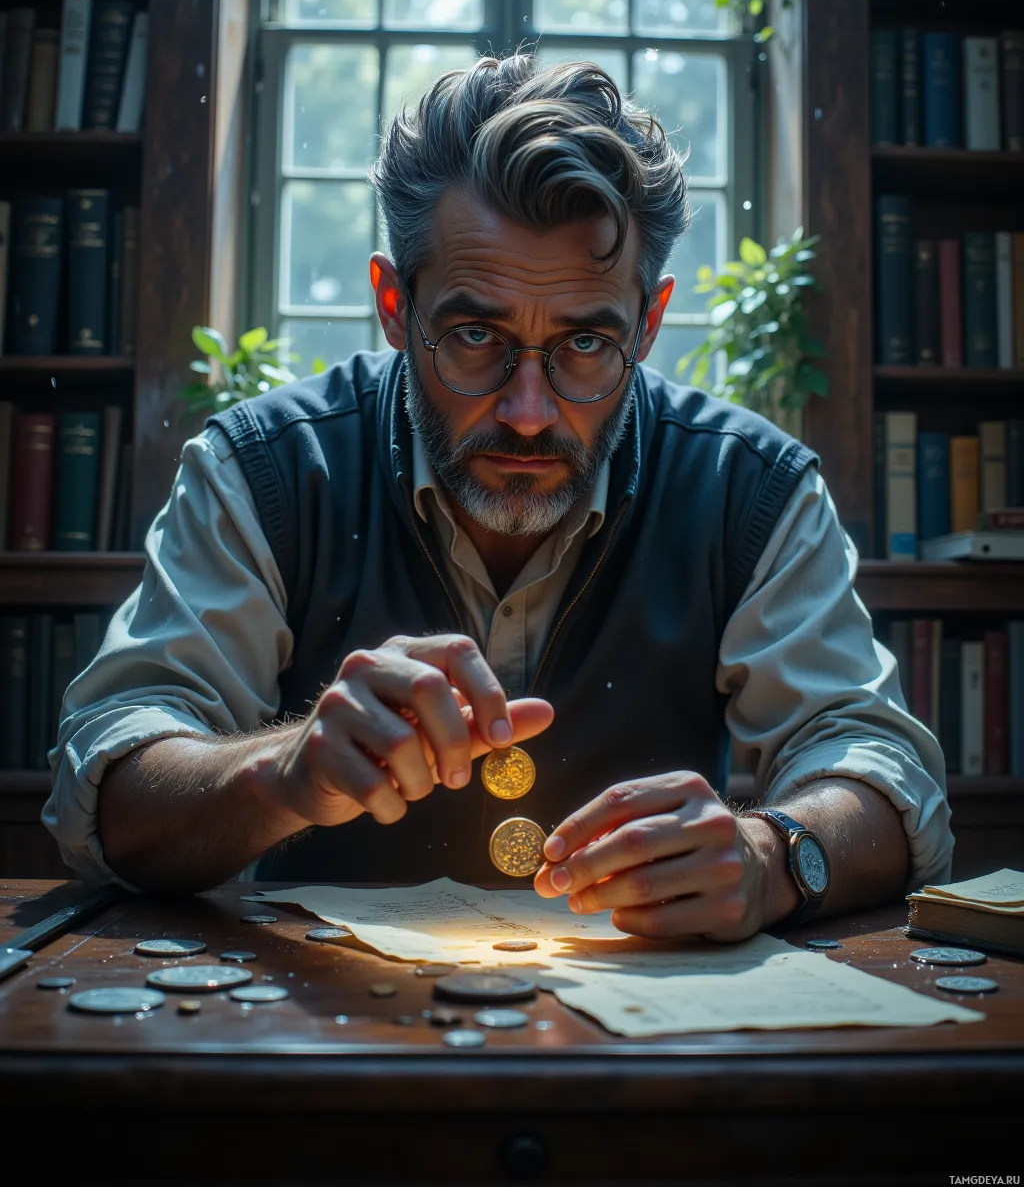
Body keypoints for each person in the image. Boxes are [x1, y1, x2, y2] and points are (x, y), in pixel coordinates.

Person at [45, 56, 951, 941]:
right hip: (326, 1025)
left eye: (586, 345)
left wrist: (773, 856)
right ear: (394, 305)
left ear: (649, 322)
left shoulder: (751, 491)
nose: (528, 412)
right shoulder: (264, 472)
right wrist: (284, 772)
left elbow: (884, 773)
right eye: (475, 336)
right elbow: (111, 786)